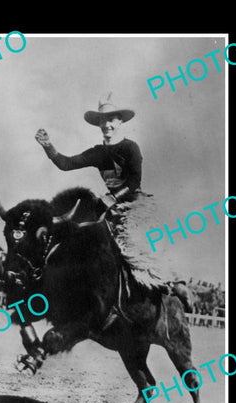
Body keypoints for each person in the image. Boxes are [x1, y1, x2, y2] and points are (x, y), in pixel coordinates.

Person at [35, 92, 171, 294]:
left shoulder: (130, 148)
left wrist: (113, 197)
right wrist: (48, 146)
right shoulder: (97, 152)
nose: (106, 124)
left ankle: (166, 285)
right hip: (110, 206)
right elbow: (66, 163)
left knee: (132, 248)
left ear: (120, 121)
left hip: (134, 205)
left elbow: (134, 182)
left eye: (111, 119)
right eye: (102, 120)